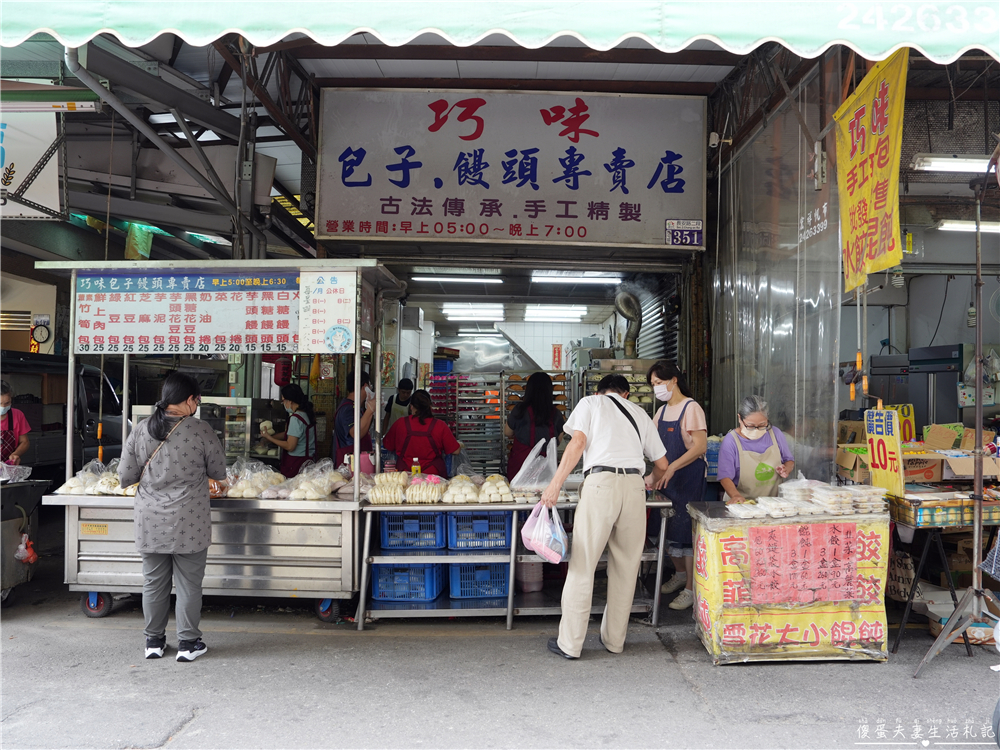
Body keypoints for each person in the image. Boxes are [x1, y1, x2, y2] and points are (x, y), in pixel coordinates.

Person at [542, 374, 669, 659]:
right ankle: (615, 641)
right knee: (626, 568)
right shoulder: (640, 414)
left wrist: (555, 484)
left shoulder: (591, 403)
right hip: (634, 488)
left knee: (584, 564)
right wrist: (648, 480)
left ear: (601, 391)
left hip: (601, 486)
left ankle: (571, 644)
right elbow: (662, 464)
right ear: (625, 394)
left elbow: (577, 443)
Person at [118, 372, 226, 663]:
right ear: (190, 400)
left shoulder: (141, 429)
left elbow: (125, 477)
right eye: (197, 400)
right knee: (189, 585)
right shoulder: (201, 430)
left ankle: (153, 642)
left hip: (150, 520)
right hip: (189, 521)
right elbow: (219, 473)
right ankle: (188, 644)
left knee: (153, 583)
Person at [645, 361, 709, 611]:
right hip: (666, 478)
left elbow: (700, 447)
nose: (656, 388)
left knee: (686, 534)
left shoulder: (691, 408)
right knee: (666, 529)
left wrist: (672, 467)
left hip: (687, 478)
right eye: (653, 385)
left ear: (673, 380)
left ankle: (691, 590)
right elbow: (653, 447)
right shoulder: (660, 412)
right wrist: (650, 476)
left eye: (659, 383)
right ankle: (680, 575)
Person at [717, 394, 795, 503]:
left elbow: (789, 460)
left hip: (772, 505)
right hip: (741, 506)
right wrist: (735, 496)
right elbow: (725, 477)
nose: (756, 430)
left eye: (762, 425)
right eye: (751, 426)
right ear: (740, 418)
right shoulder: (731, 441)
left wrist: (786, 469)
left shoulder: (775, 434)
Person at [383, 390, 461, 476]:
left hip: (406, 477)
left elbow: (388, 446)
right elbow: (456, 451)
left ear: (411, 407)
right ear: (430, 406)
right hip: (433, 478)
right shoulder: (440, 425)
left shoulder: (400, 424)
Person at [503, 372, 564, 481]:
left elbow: (507, 432)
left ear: (529, 389)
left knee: (518, 496)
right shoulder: (556, 414)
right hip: (546, 470)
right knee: (544, 495)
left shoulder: (519, 410)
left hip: (520, 469)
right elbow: (558, 441)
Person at [260, 383, 317, 478]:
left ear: (290, 401)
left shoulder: (296, 418)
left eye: (283, 401)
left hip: (296, 464)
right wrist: (268, 439)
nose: (283, 404)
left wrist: (269, 437)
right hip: (307, 461)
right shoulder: (306, 414)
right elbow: (291, 434)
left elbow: (290, 446)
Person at [332, 370, 376, 468]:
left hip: (360, 462)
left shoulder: (356, 407)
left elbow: (364, 429)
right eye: (370, 386)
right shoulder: (347, 409)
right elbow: (355, 433)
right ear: (365, 387)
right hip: (349, 466)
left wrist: (371, 411)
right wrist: (370, 410)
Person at [0, 380, 30, 466]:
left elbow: (25, 442)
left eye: (7, 403)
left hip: (9, 469)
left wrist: (16, 454)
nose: (3, 407)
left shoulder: (17, 415)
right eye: (0, 404)